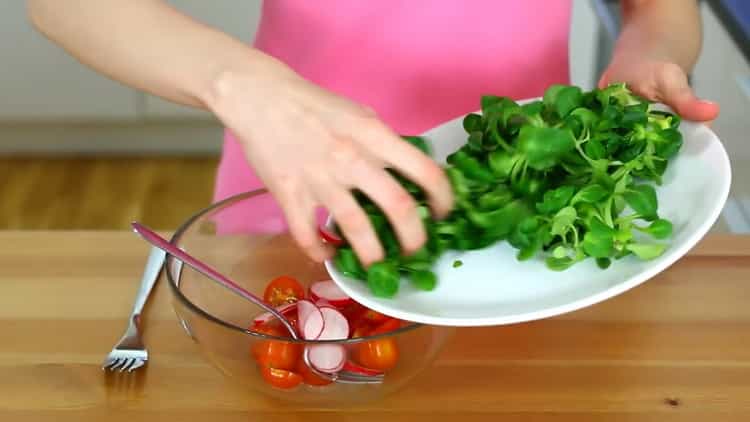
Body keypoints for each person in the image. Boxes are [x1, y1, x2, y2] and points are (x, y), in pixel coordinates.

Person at [27, 0, 719, 268]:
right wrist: (244, 86)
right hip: (296, 207)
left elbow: (660, 11)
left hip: (519, 224)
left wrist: (646, 60)